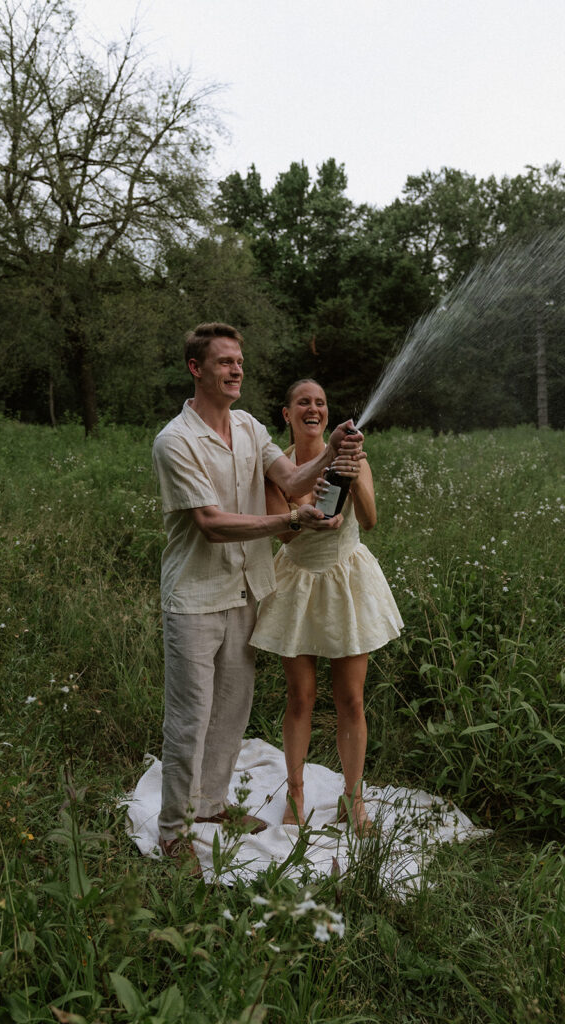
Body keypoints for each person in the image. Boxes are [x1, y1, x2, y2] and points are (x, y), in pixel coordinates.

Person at [151, 325, 364, 872]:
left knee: (231, 709)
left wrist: (331, 452)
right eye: (224, 361)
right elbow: (212, 523)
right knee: (191, 718)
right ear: (196, 369)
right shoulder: (175, 440)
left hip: (246, 589)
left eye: (239, 361)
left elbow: (292, 478)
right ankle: (173, 832)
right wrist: (291, 521)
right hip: (195, 596)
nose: (236, 369)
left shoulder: (249, 426)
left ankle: (210, 806)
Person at [249, 379, 403, 836]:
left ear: (328, 414)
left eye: (320, 402)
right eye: (303, 402)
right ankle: (295, 793)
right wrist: (307, 511)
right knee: (301, 697)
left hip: (346, 578)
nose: (313, 409)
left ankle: (353, 800)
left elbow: (370, 521)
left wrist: (351, 483)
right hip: (296, 581)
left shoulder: (353, 457)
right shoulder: (277, 467)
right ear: (287, 414)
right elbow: (283, 533)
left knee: (351, 699)